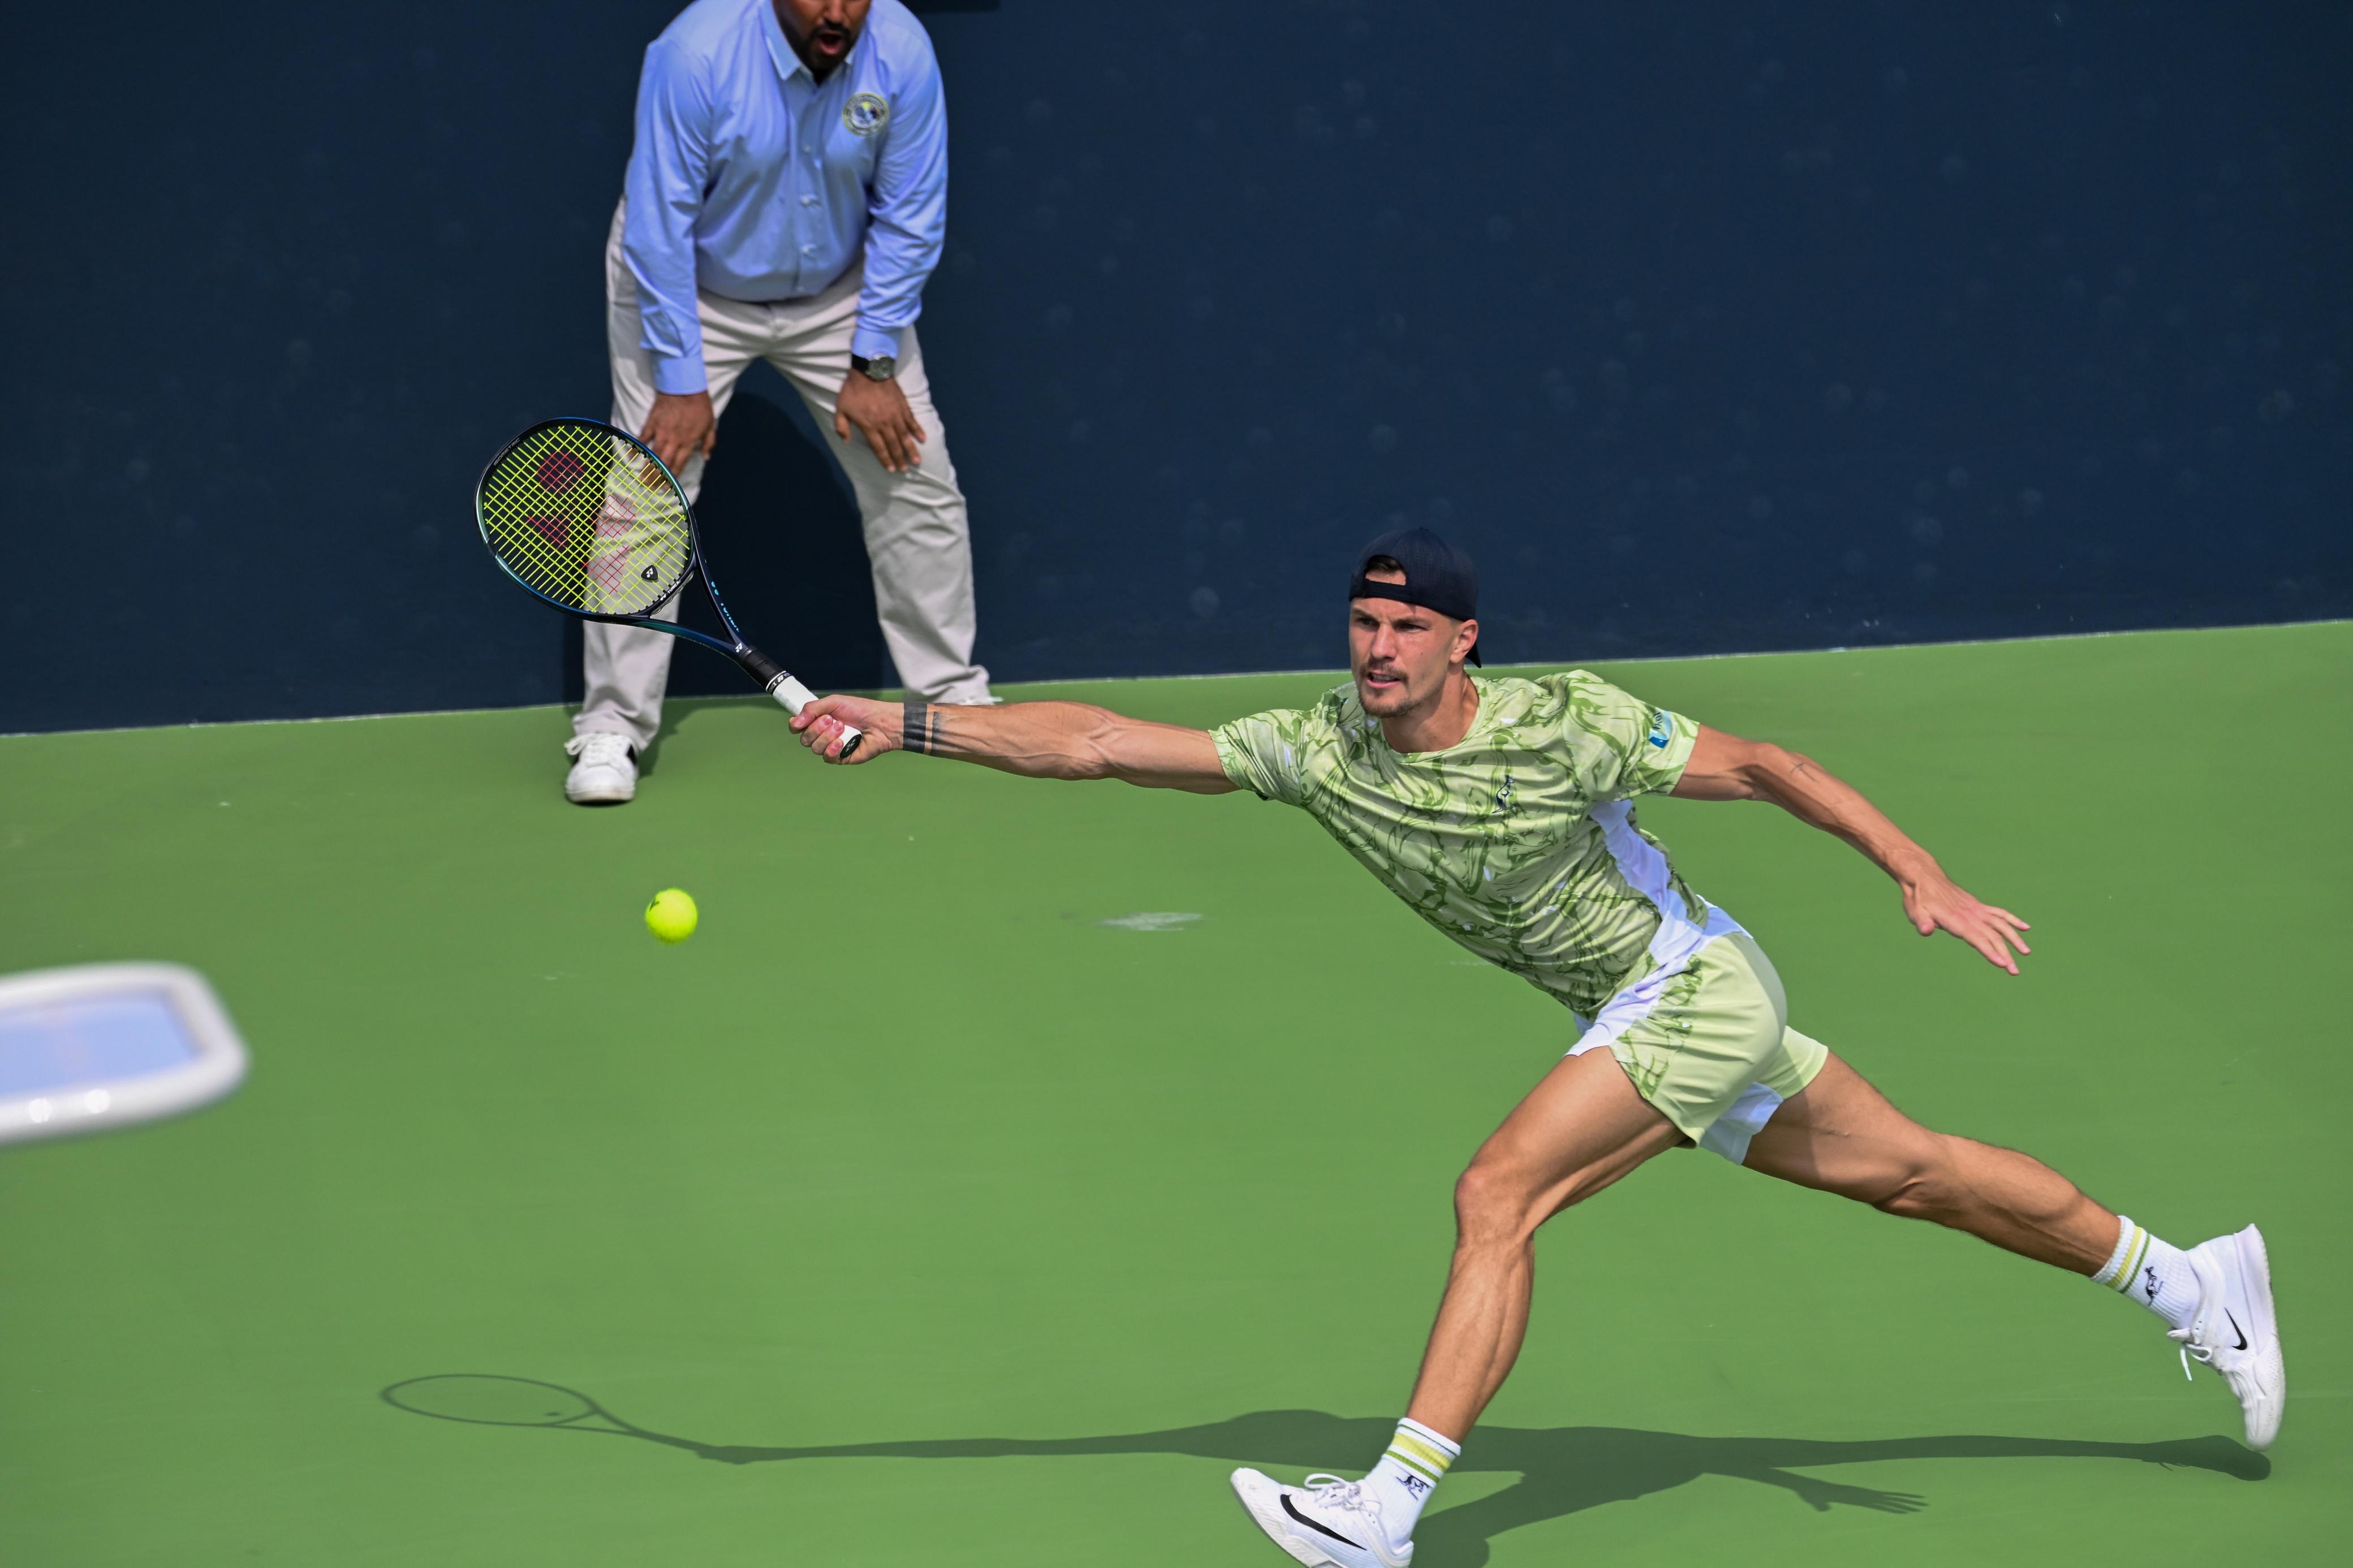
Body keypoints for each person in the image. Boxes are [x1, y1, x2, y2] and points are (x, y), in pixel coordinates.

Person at [787, 527, 2286, 1568]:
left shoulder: (1568, 723)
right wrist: (908, 724)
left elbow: (1769, 764)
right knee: (1916, 1174)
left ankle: (1386, 1508)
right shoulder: (1317, 747)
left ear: (1463, 642)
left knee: (1498, 1191)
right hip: (1639, 1010)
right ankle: (2192, 1279)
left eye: (1405, 629)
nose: (1377, 649)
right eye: (1362, 624)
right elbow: (1101, 742)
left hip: (1695, 987)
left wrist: (1919, 870)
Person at [567, 0, 992, 806]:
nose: (837, 11)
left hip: (841, 291)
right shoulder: (694, 53)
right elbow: (658, 222)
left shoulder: (901, 48)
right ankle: (611, 724)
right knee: (646, 492)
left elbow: (911, 213)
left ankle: (951, 701)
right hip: (689, 287)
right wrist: (681, 378)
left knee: (914, 471)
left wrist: (873, 359)